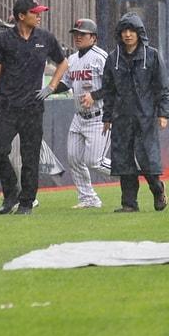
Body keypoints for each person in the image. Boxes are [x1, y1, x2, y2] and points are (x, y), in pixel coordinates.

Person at [0, 0, 68, 216]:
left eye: (39, 12)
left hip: (33, 108)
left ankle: (27, 203)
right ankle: (11, 193)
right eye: (35, 12)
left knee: (30, 157)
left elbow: (63, 62)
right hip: (7, 106)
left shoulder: (46, 38)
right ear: (21, 16)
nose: (39, 16)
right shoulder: (3, 39)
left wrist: (52, 86)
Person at [99, 13, 169, 213]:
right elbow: (108, 90)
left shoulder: (152, 56)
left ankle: (158, 189)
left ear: (140, 33)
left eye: (132, 31)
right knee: (124, 161)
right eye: (124, 31)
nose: (128, 35)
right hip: (121, 118)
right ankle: (129, 203)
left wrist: (163, 114)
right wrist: (107, 117)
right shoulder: (113, 58)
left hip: (145, 117)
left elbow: (162, 88)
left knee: (148, 159)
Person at [59, 18, 111, 209]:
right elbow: (65, 83)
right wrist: (48, 89)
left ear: (94, 38)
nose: (78, 37)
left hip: (98, 116)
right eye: (76, 34)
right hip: (79, 117)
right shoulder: (72, 59)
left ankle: (129, 174)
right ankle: (88, 198)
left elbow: (115, 85)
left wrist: (95, 95)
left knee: (94, 161)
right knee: (74, 158)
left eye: (82, 34)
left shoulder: (101, 57)